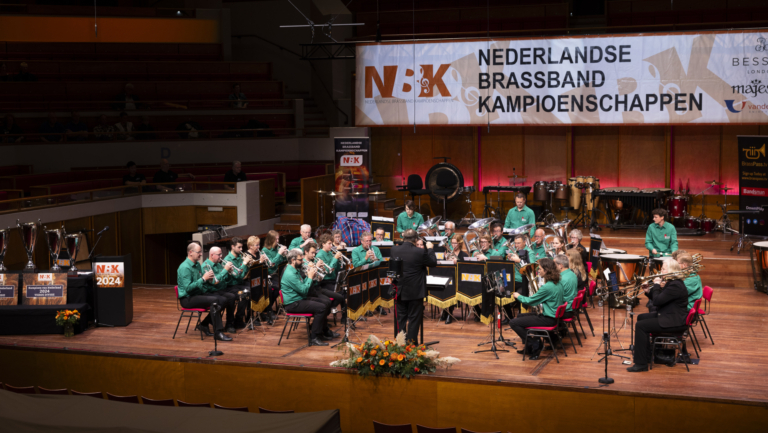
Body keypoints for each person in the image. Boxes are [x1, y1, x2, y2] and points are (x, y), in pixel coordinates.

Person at [627, 258, 688, 372]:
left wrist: (656, 284)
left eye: (663, 269)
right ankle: (646, 355)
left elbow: (657, 301)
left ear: (671, 270)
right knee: (641, 318)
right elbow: (660, 299)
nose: (660, 272)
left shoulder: (675, 286)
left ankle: (641, 363)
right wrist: (648, 292)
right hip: (670, 316)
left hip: (674, 321)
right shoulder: (672, 283)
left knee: (641, 326)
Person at [509, 258, 565, 360]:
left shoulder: (547, 287)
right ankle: (528, 347)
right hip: (553, 317)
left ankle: (535, 343)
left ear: (546, 270)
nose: (538, 271)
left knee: (513, 323)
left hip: (548, 319)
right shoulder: (558, 282)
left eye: (540, 269)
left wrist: (518, 296)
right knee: (520, 316)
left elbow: (531, 301)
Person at [176, 243, 231, 341]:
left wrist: (207, 282)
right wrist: (203, 279)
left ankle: (204, 324)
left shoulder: (197, 264)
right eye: (199, 252)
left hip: (197, 294)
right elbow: (188, 288)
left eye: (201, 252)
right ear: (190, 252)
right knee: (214, 300)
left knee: (224, 300)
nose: (201, 254)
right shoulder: (185, 267)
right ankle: (218, 332)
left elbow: (200, 283)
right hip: (188, 298)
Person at [390, 229, 436, 343]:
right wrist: (430, 249)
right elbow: (433, 262)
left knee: (400, 320)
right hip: (416, 292)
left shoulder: (394, 249)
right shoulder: (419, 252)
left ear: (403, 238)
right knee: (414, 320)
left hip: (400, 290)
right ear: (416, 240)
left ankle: (401, 345)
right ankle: (411, 346)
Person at [280, 248, 332, 346]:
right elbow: (304, 290)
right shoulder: (290, 273)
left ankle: (323, 331)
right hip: (293, 304)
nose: (302, 261)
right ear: (292, 260)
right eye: (300, 260)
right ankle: (314, 337)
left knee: (326, 302)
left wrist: (309, 275)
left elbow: (302, 287)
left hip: (299, 298)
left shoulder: (295, 269)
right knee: (321, 308)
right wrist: (310, 277)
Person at [302, 242, 344, 328]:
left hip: (318, 287)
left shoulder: (313, 261)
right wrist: (316, 267)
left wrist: (321, 271)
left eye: (315, 253)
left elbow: (318, 279)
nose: (314, 255)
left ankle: (322, 321)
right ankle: (319, 323)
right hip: (311, 290)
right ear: (306, 252)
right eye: (312, 253)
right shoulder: (303, 264)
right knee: (326, 302)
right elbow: (307, 280)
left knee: (339, 296)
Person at [202, 247, 239, 333]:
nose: (221, 256)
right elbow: (214, 281)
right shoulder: (206, 266)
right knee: (230, 298)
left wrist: (229, 272)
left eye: (221, 254)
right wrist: (225, 270)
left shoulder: (219, 264)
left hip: (222, 289)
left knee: (239, 294)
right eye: (219, 254)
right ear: (212, 255)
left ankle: (235, 322)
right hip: (211, 291)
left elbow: (226, 280)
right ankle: (229, 324)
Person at [223, 237, 255, 329]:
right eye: (239, 247)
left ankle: (249, 318)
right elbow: (237, 275)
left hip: (239, 283)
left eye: (242, 247)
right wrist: (245, 264)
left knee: (254, 287)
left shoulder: (240, 256)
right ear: (232, 247)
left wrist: (249, 264)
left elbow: (244, 273)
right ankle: (237, 320)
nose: (241, 250)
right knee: (245, 293)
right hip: (231, 286)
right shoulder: (228, 259)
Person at [262, 230, 288, 324]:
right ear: (270, 240)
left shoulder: (278, 248)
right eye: (275, 239)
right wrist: (279, 254)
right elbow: (271, 265)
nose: (278, 240)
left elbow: (283, 261)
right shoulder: (265, 250)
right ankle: (269, 309)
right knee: (275, 288)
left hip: (278, 274)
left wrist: (285, 255)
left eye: (278, 238)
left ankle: (270, 306)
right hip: (269, 274)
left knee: (283, 285)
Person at [554, 255, 577, 319]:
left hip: (564, 310)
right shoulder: (572, 274)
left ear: (560, 266)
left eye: (554, 265)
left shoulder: (561, 279)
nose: (553, 267)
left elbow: (555, 297)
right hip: (570, 307)